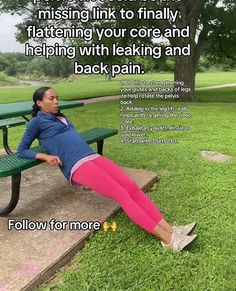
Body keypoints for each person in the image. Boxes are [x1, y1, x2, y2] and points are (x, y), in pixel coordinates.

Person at [16, 87, 197, 252]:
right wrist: (45, 156)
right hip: (77, 166)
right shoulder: (36, 123)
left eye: (57, 98)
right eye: (51, 98)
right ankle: (168, 240)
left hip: (92, 157)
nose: (56, 102)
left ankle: (171, 229)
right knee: (122, 194)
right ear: (39, 103)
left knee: (131, 187)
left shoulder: (60, 117)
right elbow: (21, 150)